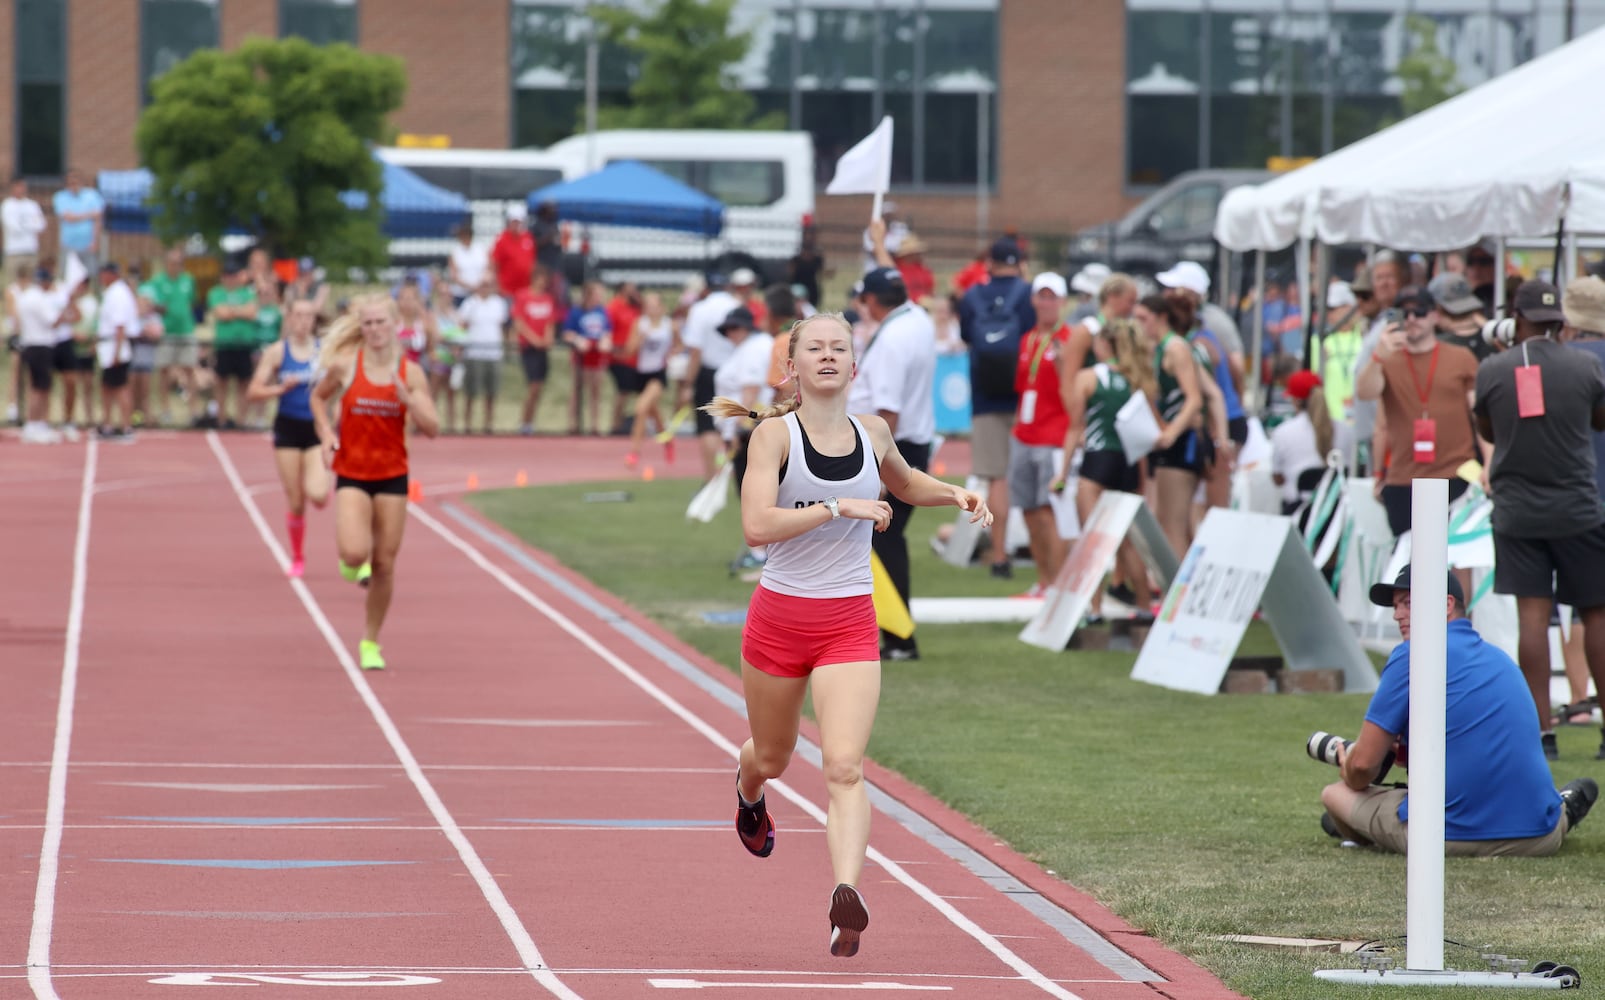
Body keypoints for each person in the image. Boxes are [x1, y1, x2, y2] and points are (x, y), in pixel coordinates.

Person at [706, 312, 991, 958]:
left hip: (847, 623)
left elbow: (903, 481)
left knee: (843, 766)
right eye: (816, 348)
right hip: (780, 619)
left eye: (840, 347)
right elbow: (755, 526)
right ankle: (748, 792)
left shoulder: (874, 431)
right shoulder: (773, 438)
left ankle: (845, 898)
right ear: (794, 368)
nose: (829, 356)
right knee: (773, 758)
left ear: (855, 367)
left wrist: (955, 494)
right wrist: (836, 508)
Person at [1319, 566, 1596, 856]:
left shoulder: (1412, 653)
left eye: (1408, 603)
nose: (1396, 614)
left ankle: (1357, 827)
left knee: (1336, 795)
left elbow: (1363, 766)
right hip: (1541, 835)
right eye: (1396, 605)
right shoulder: (1500, 658)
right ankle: (1562, 809)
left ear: (1446, 604)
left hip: (1447, 835)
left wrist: (1348, 766)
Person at [1474, 279, 1605, 760]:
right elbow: (1600, 420)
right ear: (1559, 320)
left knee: (1533, 617)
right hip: (1578, 507)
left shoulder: (1494, 369)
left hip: (1517, 509)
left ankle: (1542, 733)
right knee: (1595, 614)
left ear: (1517, 316)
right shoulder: (1585, 365)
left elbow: (1486, 427)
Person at [311, 295, 440, 670]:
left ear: (395, 323)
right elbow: (319, 401)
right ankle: (351, 565)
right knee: (354, 553)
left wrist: (409, 401)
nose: (374, 330)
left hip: (393, 476)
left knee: (384, 563)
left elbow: (432, 428)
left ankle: (370, 641)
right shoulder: (346, 365)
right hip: (353, 471)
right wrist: (325, 435)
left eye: (381, 322)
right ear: (361, 328)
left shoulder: (410, 373)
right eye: (367, 324)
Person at [848, 256, 937, 658]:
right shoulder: (917, 321)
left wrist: (877, 475)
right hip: (912, 443)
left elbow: (887, 413)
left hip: (893, 449)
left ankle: (899, 638)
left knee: (883, 540)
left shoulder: (893, 340)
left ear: (870, 300)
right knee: (886, 539)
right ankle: (894, 634)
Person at [1354, 285, 1484, 539]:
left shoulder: (1461, 357)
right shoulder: (1387, 360)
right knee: (1408, 565)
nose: (1412, 319)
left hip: (1456, 475)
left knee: (1457, 559)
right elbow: (1367, 398)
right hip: (1404, 480)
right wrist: (1379, 473)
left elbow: (1479, 415)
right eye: (1405, 313)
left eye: (1420, 311)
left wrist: (1489, 464)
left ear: (1435, 315)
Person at [1065, 318, 1155, 622]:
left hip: (1097, 460)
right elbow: (1145, 432)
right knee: (1127, 542)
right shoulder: (1137, 378)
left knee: (1093, 539)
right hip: (1128, 463)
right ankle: (1144, 606)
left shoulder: (1089, 377)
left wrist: (1061, 473)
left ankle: (1094, 609)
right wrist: (1141, 480)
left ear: (1104, 345)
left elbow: (1075, 427)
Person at [958, 238, 1038, 578]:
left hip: (986, 397)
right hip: (1025, 396)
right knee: (1036, 477)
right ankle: (1045, 555)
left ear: (989, 262)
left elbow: (966, 337)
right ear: (1019, 261)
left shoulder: (973, 296)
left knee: (998, 479)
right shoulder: (1029, 294)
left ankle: (1001, 555)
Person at [246, 299, 330, 579]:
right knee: (295, 501)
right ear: (290, 318)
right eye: (299, 316)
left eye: (309, 316)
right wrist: (280, 388)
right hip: (288, 429)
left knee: (317, 494)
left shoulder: (325, 351)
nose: (304, 321)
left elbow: (342, 383)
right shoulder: (278, 352)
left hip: (316, 428)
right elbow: (253, 390)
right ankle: (297, 557)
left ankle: (315, 484)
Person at [1007, 272, 1076, 600]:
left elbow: (1074, 392)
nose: (1047, 302)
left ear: (1062, 302)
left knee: (1049, 512)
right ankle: (1044, 581)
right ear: (1034, 300)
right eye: (1042, 296)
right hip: (1025, 432)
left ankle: (1060, 584)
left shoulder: (1069, 340)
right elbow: (1023, 387)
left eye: (1053, 297)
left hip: (1053, 435)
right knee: (1029, 511)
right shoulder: (1028, 339)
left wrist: (1065, 367)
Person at [679, 273, 742, 479]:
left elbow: (695, 350)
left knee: (708, 427)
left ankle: (711, 477)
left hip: (708, 370)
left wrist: (688, 383)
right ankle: (735, 475)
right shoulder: (736, 305)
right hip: (735, 369)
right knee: (733, 423)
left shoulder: (700, 309)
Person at [1271, 370, 1352, 515]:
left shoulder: (1282, 432)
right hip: (1336, 513)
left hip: (1297, 512)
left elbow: (1278, 478)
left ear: (1295, 400)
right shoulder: (1345, 430)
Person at [626, 291, 678, 467]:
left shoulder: (669, 325)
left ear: (661, 307)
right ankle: (667, 438)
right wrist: (641, 338)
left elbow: (681, 344)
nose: (651, 309)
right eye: (647, 306)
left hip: (658, 374)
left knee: (641, 408)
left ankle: (634, 452)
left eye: (654, 305)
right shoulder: (639, 324)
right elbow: (629, 349)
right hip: (641, 373)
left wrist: (673, 354)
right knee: (653, 412)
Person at [207, 259, 260, 430]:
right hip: (224, 345)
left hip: (244, 345)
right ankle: (221, 419)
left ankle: (241, 420)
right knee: (221, 383)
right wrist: (239, 311)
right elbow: (221, 314)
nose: (231, 279)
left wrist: (232, 310)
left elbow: (251, 313)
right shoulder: (216, 293)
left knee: (243, 384)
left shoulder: (248, 293)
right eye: (228, 275)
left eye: (234, 275)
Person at [456, 274, 509, 435]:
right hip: (474, 352)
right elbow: (461, 325)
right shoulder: (470, 303)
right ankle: (468, 424)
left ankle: (488, 424)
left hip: (493, 353)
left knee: (491, 392)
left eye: (488, 285)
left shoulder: (499, 303)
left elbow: (503, 326)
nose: (485, 288)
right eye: (482, 285)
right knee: (471, 392)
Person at [512, 267, 559, 436]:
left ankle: (530, 421)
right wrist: (535, 340)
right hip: (529, 348)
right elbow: (519, 323)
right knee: (533, 386)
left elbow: (550, 322)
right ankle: (525, 421)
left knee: (539, 386)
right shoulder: (523, 296)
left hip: (542, 349)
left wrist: (547, 338)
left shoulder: (548, 299)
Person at [563, 280, 613, 437]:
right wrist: (578, 340)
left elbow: (607, 331)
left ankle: (595, 424)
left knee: (596, 391)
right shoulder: (577, 311)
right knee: (577, 390)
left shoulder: (602, 311)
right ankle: (573, 424)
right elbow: (567, 333)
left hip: (597, 355)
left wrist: (606, 339)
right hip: (581, 356)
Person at [95, 262, 139, 440]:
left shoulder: (118, 293)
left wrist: (117, 353)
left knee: (121, 387)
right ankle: (107, 424)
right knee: (107, 386)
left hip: (115, 346)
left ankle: (126, 426)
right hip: (109, 346)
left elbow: (120, 325)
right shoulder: (113, 292)